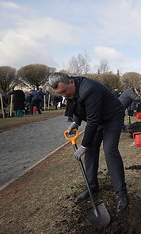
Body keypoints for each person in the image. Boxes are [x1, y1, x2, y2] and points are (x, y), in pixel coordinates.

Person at [48, 72, 128, 213]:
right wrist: (76, 122)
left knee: (109, 150)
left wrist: (84, 145)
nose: (64, 95)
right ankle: (92, 186)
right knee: (91, 151)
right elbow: (77, 105)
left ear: (71, 82)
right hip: (97, 119)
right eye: (61, 93)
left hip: (112, 118)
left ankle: (122, 194)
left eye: (65, 91)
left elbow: (92, 121)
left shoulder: (89, 89)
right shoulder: (70, 91)